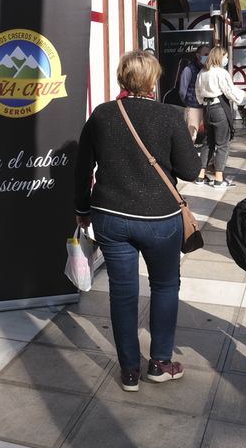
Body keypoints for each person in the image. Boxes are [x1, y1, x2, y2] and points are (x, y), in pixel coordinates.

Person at [75, 50, 202, 391]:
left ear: (122, 78)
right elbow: (190, 170)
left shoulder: (102, 114)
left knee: (123, 292)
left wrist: (81, 208)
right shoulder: (169, 116)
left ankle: (130, 370)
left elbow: (82, 167)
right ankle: (160, 362)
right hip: (160, 218)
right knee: (164, 286)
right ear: (153, 79)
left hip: (111, 217)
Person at [194, 46, 246, 186]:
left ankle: (200, 176)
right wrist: (242, 99)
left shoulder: (202, 72)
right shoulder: (221, 72)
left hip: (207, 108)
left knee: (208, 142)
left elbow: (198, 91)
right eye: (225, 56)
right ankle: (218, 179)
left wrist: (202, 102)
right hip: (219, 107)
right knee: (223, 143)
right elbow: (229, 91)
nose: (227, 59)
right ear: (220, 56)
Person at [168, 50, 204, 144]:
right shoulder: (189, 69)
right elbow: (182, 91)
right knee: (192, 136)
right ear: (198, 55)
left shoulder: (206, 69)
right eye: (205, 54)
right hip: (194, 107)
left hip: (206, 106)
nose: (207, 57)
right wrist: (188, 103)